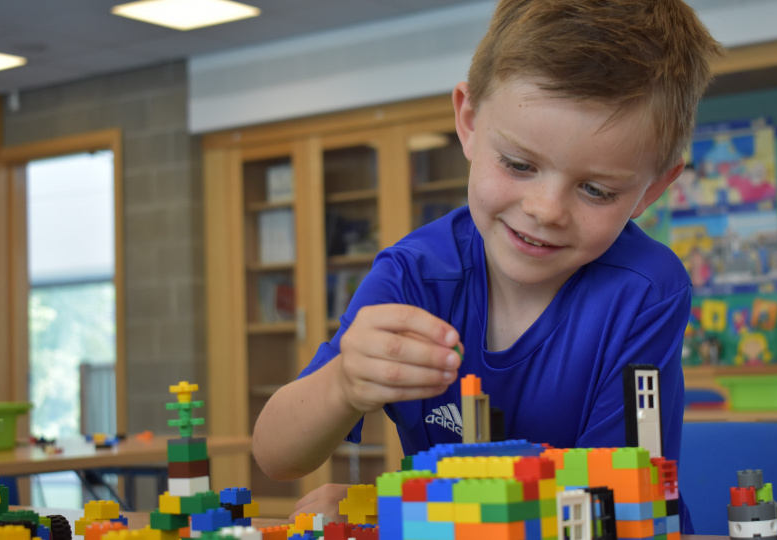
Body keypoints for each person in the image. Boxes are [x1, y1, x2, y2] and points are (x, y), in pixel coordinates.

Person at [252, 0, 723, 530]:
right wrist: (342, 384)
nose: (545, 210)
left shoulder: (644, 292)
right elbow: (277, 455)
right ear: (470, 121)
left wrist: (393, 508)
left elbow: (610, 509)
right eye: (519, 165)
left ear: (653, 188)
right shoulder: (414, 275)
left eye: (596, 190)